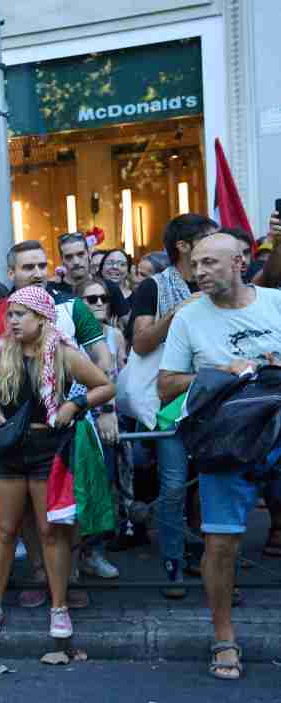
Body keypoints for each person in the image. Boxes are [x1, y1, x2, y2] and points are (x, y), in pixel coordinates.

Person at [157, 232, 281, 681]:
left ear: (241, 262)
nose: (199, 271)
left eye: (210, 262)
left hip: (278, 432)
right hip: (225, 441)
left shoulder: (275, 302)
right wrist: (219, 372)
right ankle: (224, 638)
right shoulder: (189, 318)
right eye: (196, 264)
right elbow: (166, 385)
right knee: (222, 544)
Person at [0, 287, 114, 641]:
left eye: (20, 314)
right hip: (6, 448)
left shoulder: (63, 353)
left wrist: (74, 406)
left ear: (41, 318)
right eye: (10, 314)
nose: (12, 321)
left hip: (48, 448)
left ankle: (59, 607)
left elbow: (105, 386)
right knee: (4, 530)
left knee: (51, 532)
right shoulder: (1, 350)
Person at [129, 214, 220, 595]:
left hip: (216, 398)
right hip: (170, 401)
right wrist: (178, 312)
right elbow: (141, 343)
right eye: (209, 239)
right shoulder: (153, 287)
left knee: (215, 481)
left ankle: (215, 564)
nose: (217, 247)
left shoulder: (220, 281)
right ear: (183, 246)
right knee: (173, 484)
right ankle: (173, 564)